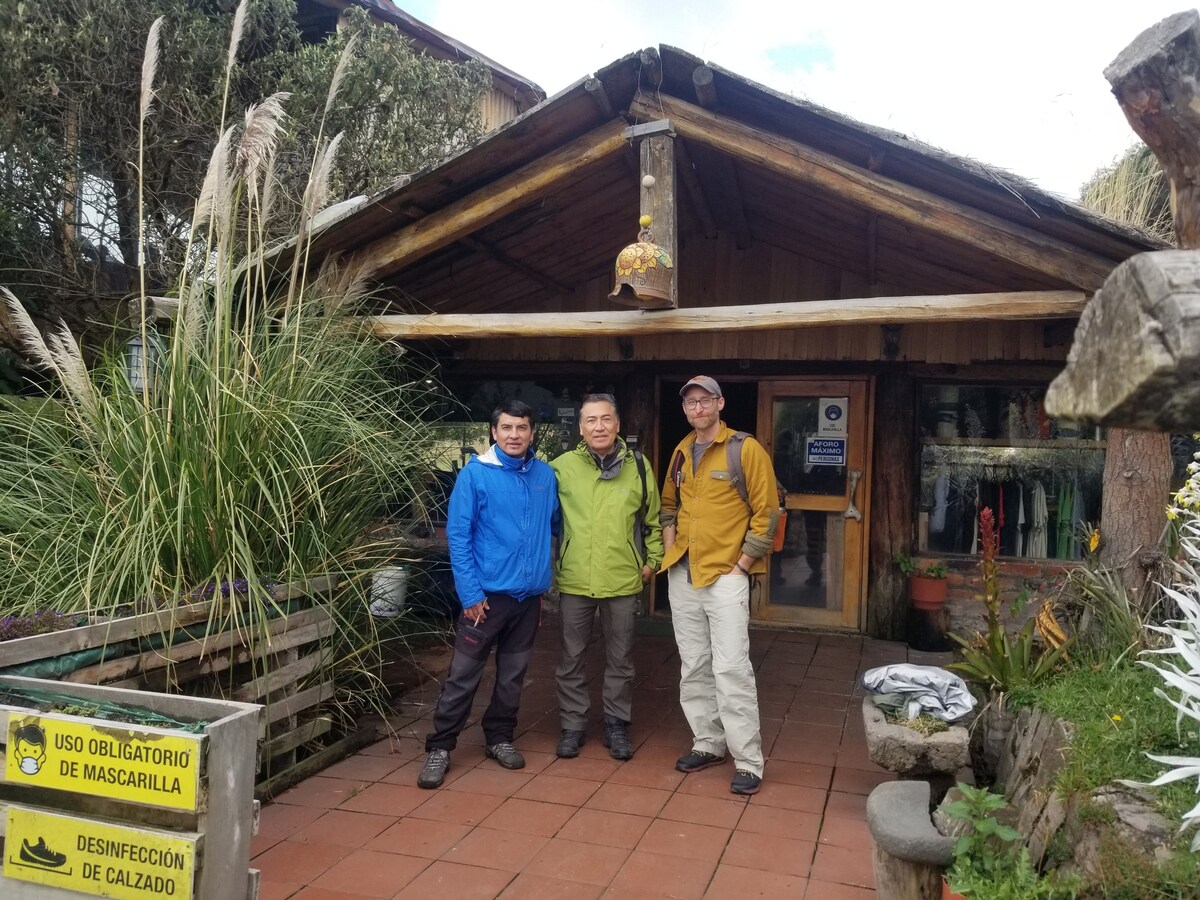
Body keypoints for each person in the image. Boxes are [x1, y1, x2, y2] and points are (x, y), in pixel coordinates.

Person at [417, 400, 559, 789]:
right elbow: (458, 539)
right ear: (494, 432)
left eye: (522, 428)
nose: (515, 435)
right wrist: (470, 594)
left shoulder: (545, 475)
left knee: (513, 676)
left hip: (527, 600)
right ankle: (441, 746)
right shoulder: (475, 475)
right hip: (485, 600)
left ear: (532, 433)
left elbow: (558, 526)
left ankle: (499, 737)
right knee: (463, 674)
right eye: (507, 428)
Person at [660, 376, 778, 795]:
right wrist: (671, 551)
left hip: (726, 575)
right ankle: (707, 743)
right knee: (693, 665)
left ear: (720, 403)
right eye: (690, 402)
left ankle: (748, 760)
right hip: (684, 574)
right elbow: (668, 507)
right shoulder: (679, 451)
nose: (697, 408)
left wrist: (743, 564)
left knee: (731, 667)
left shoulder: (744, 449)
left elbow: (767, 512)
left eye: (704, 400)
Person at [550, 393, 663, 761]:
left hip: (621, 579)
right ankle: (572, 725)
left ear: (617, 424)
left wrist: (653, 562)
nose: (598, 427)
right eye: (590, 421)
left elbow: (653, 522)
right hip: (576, 580)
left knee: (621, 659)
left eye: (605, 419)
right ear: (581, 428)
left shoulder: (641, 467)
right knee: (571, 658)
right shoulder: (561, 467)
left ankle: (616, 723)